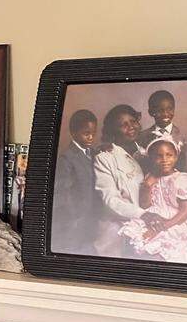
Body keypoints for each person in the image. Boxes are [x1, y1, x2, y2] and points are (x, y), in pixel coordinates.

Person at [119, 139, 187, 263]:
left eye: (169, 155)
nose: (164, 160)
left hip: (176, 220)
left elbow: (185, 212)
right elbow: (145, 205)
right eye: (159, 156)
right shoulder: (150, 177)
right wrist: (147, 187)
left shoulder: (182, 179)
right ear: (151, 158)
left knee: (170, 247)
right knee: (138, 240)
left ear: (176, 157)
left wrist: (158, 229)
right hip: (155, 215)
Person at [93, 103, 155, 258]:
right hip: (117, 230)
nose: (131, 127)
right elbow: (110, 200)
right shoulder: (105, 157)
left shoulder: (147, 151)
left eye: (133, 121)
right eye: (123, 125)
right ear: (113, 131)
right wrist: (142, 215)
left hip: (148, 223)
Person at [52, 109, 98, 254]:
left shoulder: (92, 152)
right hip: (74, 219)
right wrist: (73, 216)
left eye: (93, 133)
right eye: (86, 134)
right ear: (73, 133)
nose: (91, 137)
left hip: (91, 214)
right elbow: (62, 192)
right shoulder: (67, 159)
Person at [137, 90, 187, 177]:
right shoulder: (143, 136)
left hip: (177, 182)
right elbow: (142, 165)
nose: (165, 114)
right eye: (160, 110)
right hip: (152, 183)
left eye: (170, 109)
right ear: (151, 112)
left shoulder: (184, 135)